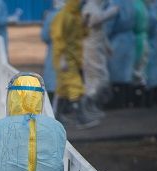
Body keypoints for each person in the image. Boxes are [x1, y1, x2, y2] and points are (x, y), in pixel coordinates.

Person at [51, 0, 99, 128]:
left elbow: (82, 35)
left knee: (63, 89)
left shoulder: (77, 16)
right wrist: (62, 58)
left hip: (74, 58)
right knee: (75, 86)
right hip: (65, 59)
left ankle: (57, 116)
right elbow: (58, 38)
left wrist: (85, 24)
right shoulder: (63, 16)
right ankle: (81, 118)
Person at [81, 0, 119, 115]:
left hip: (97, 49)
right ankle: (87, 105)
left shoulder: (96, 7)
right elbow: (93, 21)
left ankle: (91, 106)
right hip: (91, 49)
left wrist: (107, 46)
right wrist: (110, 13)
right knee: (97, 78)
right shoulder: (89, 7)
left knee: (99, 78)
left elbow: (100, 31)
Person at [107, 0, 136, 108]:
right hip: (130, 38)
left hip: (116, 41)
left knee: (116, 73)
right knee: (126, 72)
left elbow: (109, 24)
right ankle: (127, 100)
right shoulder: (130, 3)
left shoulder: (114, 3)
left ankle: (117, 102)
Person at [42, 0, 64, 102]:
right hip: (72, 54)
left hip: (54, 52)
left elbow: (45, 36)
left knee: (52, 80)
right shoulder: (75, 15)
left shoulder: (52, 15)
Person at [132, 0, 150, 106]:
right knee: (142, 70)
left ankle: (138, 100)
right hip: (144, 39)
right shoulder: (142, 5)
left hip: (137, 41)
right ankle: (145, 99)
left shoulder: (135, 5)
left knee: (137, 72)